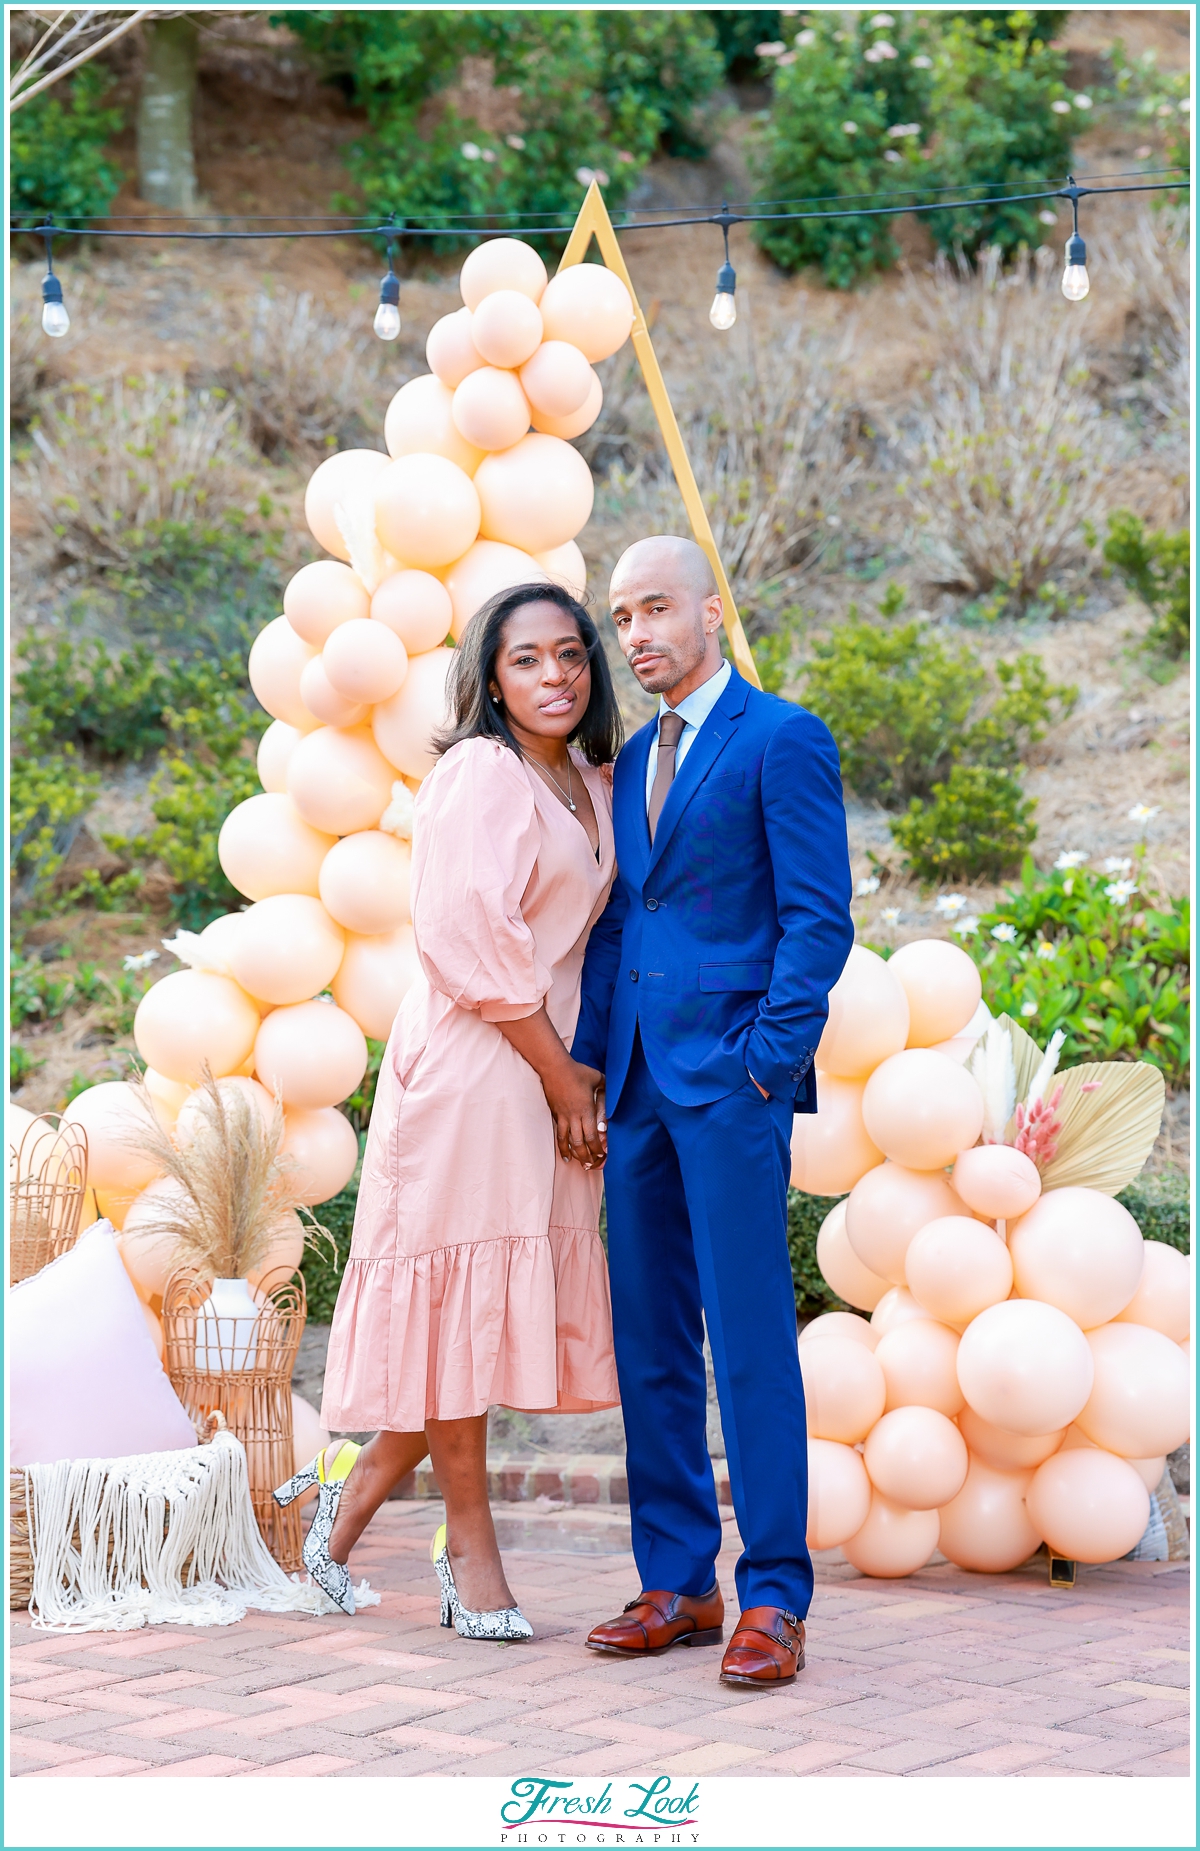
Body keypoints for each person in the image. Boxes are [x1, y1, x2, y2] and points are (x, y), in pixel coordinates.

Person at [276, 581, 622, 1639]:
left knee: (470, 1315)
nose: (554, 676)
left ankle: (331, 1520)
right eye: (527, 660)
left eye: (570, 655)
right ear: (489, 679)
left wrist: (577, 1069)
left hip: (547, 1063)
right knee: (460, 1309)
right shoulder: (482, 771)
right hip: (484, 1061)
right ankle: (469, 1552)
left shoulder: (591, 780)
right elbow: (463, 936)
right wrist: (559, 1074)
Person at [572, 535, 853, 1688]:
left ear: (713, 611)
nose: (635, 634)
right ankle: (681, 1581)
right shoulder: (635, 753)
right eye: (622, 616)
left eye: (654, 610)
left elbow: (818, 920)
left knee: (748, 1346)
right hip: (637, 1088)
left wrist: (764, 1070)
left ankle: (774, 1595)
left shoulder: (782, 738)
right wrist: (592, 1066)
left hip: (731, 1089)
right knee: (650, 1347)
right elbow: (625, 924)